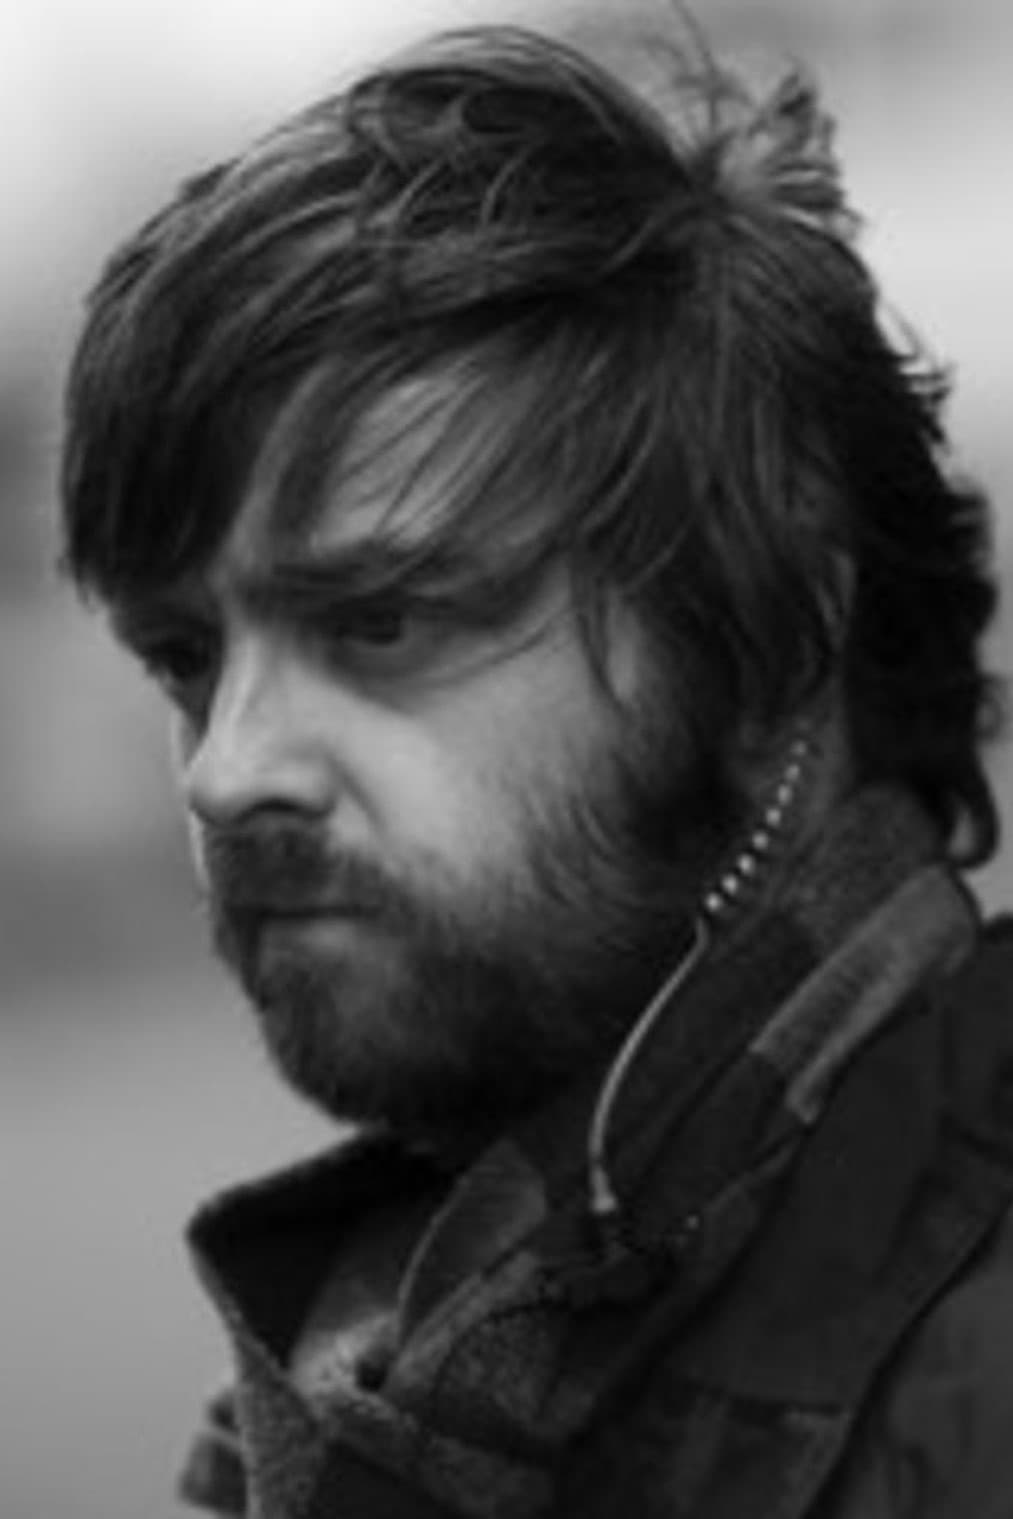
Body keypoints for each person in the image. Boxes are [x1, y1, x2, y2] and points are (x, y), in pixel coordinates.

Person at [59, 6, 1013, 1516]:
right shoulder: (402, 1364)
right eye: (185, 656)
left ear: (768, 637)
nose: (223, 771)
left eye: (380, 621)